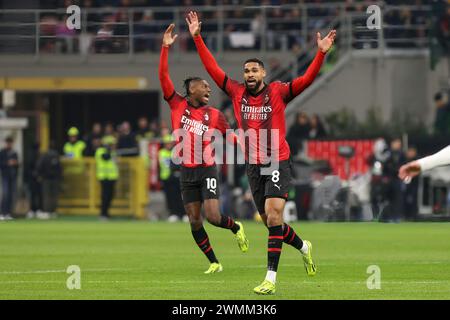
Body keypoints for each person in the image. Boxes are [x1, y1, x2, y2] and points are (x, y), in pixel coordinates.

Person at [187, 11, 336, 294]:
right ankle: (304, 247)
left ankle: (270, 279)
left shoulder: (278, 92)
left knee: (273, 214)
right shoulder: (235, 91)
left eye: (255, 70)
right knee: (271, 222)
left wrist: (321, 55)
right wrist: (196, 37)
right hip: (253, 165)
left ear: (264, 73)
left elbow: (305, 81)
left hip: (277, 159)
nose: (250, 74)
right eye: (246, 71)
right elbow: (212, 68)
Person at [159, 24, 249, 274]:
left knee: (213, 217)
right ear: (191, 89)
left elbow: (230, 135)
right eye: (204, 86)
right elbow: (163, 77)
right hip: (186, 173)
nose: (209, 89)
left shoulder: (215, 115)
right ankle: (214, 262)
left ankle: (235, 227)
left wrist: (241, 142)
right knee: (195, 221)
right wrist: (165, 48)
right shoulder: (177, 104)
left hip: (207, 169)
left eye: (209, 86)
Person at [158, 133, 185, 222]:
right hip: (166, 178)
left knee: (180, 197)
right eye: (167, 143)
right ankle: (173, 213)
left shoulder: (177, 152)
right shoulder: (161, 152)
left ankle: (183, 214)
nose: (168, 144)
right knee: (170, 197)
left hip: (177, 177)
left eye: (170, 143)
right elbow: (159, 166)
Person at [36, 141, 62, 219]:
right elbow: (59, 168)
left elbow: (39, 166)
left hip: (46, 178)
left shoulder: (45, 155)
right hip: (54, 178)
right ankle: (53, 211)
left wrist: (39, 175)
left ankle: (47, 212)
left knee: (47, 195)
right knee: (54, 195)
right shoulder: (56, 155)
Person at [95, 136, 119, 220]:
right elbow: (105, 157)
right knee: (105, 196)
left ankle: (106, 213)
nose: (114, 146)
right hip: (104, 177)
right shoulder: (100, 151)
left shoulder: (113, 152)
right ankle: (103, 213)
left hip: (112, 177)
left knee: (110, 196)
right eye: (112, 144)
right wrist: (109, 150)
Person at [0, 136, 19, 220]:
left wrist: (16, 163)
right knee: (5, 194)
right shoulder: (2, 152)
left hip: (13, 176)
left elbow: (18, 165)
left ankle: (8, 213)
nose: (9, 144)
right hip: (5, 176)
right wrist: (8, 163)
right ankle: (2, 213)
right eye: (8, 142)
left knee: (11, 195)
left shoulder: (14, 153)